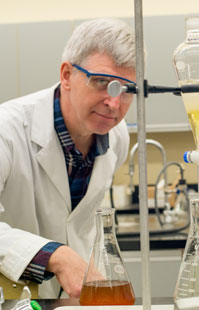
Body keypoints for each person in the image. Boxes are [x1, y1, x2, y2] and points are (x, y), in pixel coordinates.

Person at [0, 18, 136, 298]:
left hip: (75, 297)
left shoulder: (117, 137)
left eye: (127, 90)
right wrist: (55, 255)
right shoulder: (7, 130)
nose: (114, 103)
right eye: (101, 82)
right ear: (66, 75)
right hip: (13, 296)